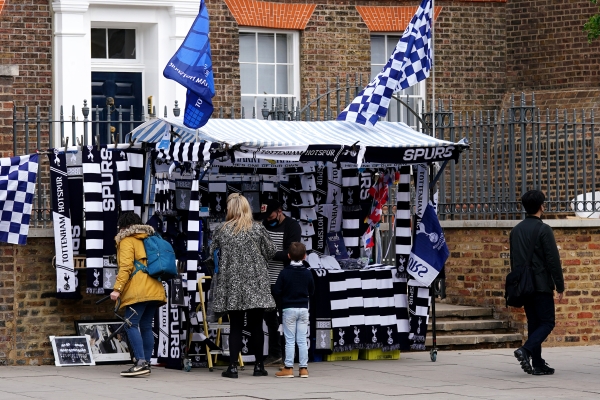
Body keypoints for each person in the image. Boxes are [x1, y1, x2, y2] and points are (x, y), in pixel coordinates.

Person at [209, 193, 278, 378]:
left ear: (230, 208)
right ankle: (258, 366)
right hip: (256, 282)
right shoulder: (257, 229)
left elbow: (210, 254)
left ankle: (232, 367)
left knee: (236, 326)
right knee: (256, 325)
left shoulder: (222, 230)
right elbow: (271, 251)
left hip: (232, 284)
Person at [510, 190, 564, 375]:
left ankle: (538, 363)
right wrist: (560, 285)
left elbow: (514, 260)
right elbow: (553, 260)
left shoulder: (516, 230)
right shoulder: (543, 229)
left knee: (534, 322)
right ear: (541, 206)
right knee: (547, 322)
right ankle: (525, 350)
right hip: (540, 284)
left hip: (524, 284)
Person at [110, 212, 167, 377]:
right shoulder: (150, 238)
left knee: (130, 324)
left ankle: (140, 363)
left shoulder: (127, 240)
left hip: (139, 290)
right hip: (155, 289)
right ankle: (146, 362)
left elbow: (126, 267)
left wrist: (117, 289)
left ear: (123, 226)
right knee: (146, 326)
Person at [260, 199, 302, 367]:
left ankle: (290, 356)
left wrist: (268, 253)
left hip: (283, 280)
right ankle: (275, 354)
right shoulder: (263, 224)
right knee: (270, 320)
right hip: (265, 280)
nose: (268, 219)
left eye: (270, 216)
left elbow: (291, 253)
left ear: (279, 211)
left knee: (287, 319)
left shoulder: (292, 226)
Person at [273, 242, 314, 378]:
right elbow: (312, 291)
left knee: (289, 340)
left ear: (288, 255)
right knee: (302, 339)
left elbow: (277, 291)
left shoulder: (284, 273)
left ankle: (288, 367)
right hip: (303, 308)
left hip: (288, 308)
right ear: (305, 256)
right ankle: (303, 369)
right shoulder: (308, 273)